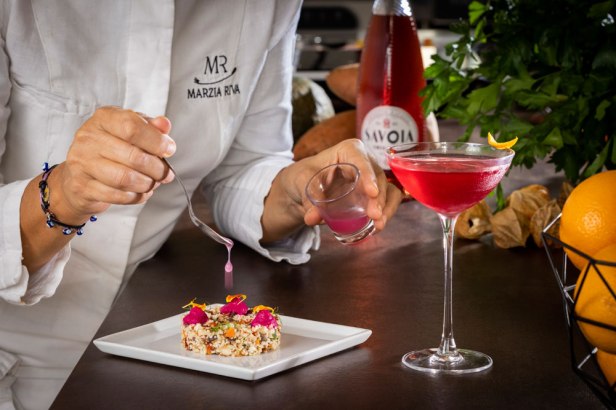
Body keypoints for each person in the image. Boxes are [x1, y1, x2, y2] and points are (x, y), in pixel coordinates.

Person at [0, 1, 402, 409]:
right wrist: (66, 194)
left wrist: (294, 188)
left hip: (149, 342)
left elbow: (244, 165)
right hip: (14, 346)